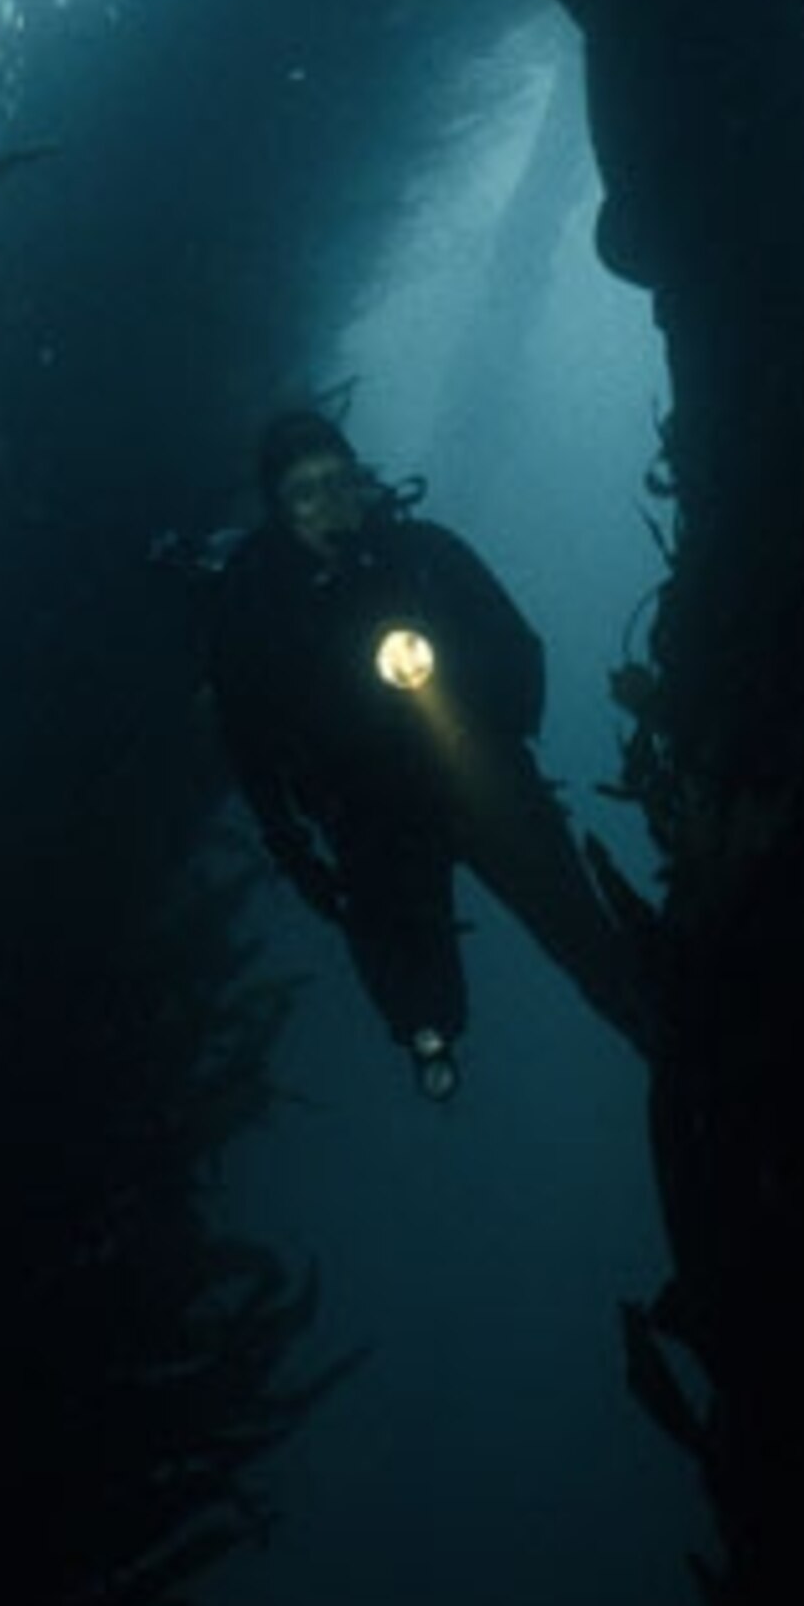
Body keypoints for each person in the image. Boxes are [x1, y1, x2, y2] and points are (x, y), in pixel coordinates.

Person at [204, 410, 650, 1099]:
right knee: (421, 1006)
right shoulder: (255, 605)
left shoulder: (425, 555)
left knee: (586, 941)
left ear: (361, 480)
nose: (330, 506)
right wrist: (298, 857)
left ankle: (653, 1026)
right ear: (277, 510)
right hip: (369, 819)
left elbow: (519, 648)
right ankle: (430, 1041)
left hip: (481, 779)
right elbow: (249, 741)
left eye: (339, 482)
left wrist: (489, 722)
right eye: (305, 493)